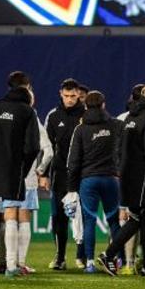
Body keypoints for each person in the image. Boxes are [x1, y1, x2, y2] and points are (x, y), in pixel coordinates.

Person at [97, 83, 145, 278]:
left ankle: (109, 254)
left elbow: (119, 150)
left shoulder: (130, 117)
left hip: (128, 177)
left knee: (136, 220)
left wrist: (122, 172)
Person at [0, 71, 41, 278]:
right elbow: (33, 147)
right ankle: (11, 266)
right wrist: (23, 165)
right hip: (13, 168)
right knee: (11, 213)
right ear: (27, 87)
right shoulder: (27, 112)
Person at [66, 90, 123, 272]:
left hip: (88, 180)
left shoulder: (81, 129)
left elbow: (73, 161)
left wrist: (71, 188)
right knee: (114, 221)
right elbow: (124, 152)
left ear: (85, 106)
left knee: (89, 221)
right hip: (111, 179)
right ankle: (118, 259)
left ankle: (89, 262)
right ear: (103, 104)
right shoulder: (116, 125)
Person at [44, 78, 85, 270]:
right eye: (66, 96)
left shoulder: (86, 115)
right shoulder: (53, 116)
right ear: (61, 94)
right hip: (60, 174)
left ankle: (82, 255)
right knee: (58, 217)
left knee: (82, 216)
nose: (69, 99)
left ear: (78, 94)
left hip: (82, 174)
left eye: (73, 96)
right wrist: (43, 173)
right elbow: (47, 147)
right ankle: (60, 257)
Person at [14, 90, 52, 273]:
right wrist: (40, 170)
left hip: (6, 177)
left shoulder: (5, 116)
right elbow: (49, 151)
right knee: (24, 219)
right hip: (27, 178)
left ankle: (6, 261)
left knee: (7, 218)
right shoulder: (34, 119)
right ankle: (20, 263)